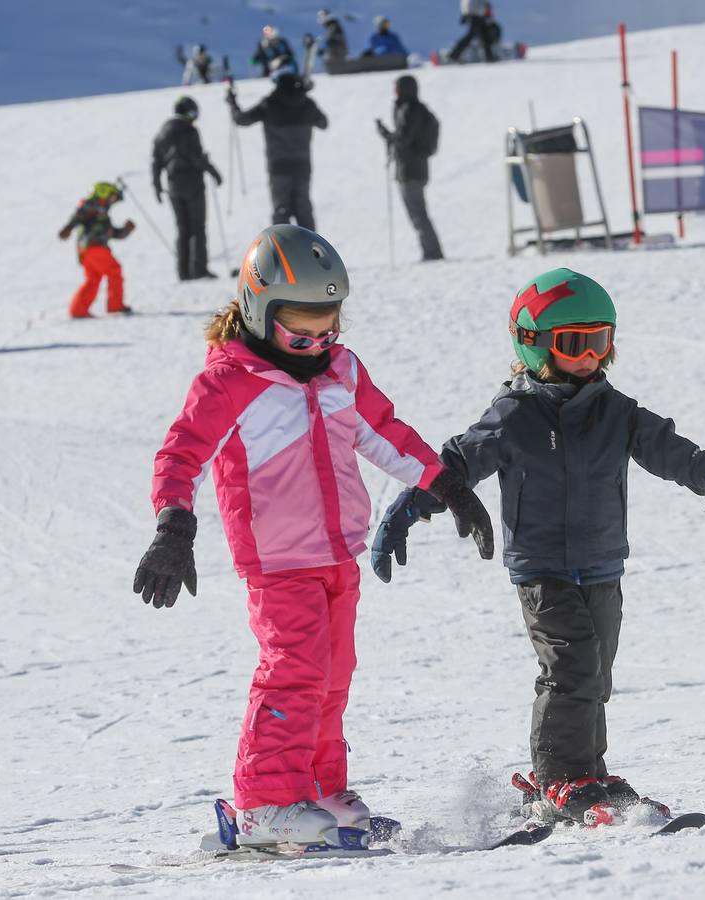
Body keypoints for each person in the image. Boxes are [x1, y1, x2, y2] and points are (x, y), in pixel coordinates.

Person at [370, 268, 705, 828]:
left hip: (600, 563)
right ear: (533, 343)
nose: (590, 356)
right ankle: (557, 777)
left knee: (597, 671)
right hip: (542, 568)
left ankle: (587, 770)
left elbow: (675, 453)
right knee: (571, 666)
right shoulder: (515, 415)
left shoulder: (615, 410)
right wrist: (407, 510)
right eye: (574, 344)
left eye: (600, 342)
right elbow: (457, 463)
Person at [132, 224, 493, 847]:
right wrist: (173, 526)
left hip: (336, 553)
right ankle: (264, 802)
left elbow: (384, 431)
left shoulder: (340, 371)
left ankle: (322, 789)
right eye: (298, 323)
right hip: (277, 560)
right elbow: (182, 455)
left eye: (328, 322)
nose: (316, 338)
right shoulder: (229, 382)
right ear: (255, 306)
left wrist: (446, 485)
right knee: (293, 672)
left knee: (332, 675)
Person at [227, 72, 328, 230]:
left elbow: (242, 119)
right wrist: (305, 93)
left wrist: (232, 103)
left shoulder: (269, 104)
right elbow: (324, 123)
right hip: (302, 165)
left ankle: (283, 251)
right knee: (304, 210)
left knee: (281, 212)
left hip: (278, 167)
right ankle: (311, 251)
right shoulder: (307, 104)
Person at [152, 95, 223, 281]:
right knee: (197, 228)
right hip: (193, 183)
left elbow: (156, 161)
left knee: (182, 228)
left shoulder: (162, 133)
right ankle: (198, 270)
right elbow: (196, 157)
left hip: (173, 185)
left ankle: (183, 271)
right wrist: (213, 172)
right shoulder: (189, 130)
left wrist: (157, 185)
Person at [375, 75, 444, 261]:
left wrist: (387, 135)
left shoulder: (409, 110)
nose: (395, 92)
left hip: (410, 168)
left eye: (397, 88)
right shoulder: (415, 108)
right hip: (417, 166)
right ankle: (431, 250)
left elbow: (404, 139)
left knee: (418, 213)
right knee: (418, 212)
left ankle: (432, 252)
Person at [58, 181, 135, 318]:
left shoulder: (103, 215)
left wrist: (126, 230)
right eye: (112, 197)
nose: (114, 201)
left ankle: (78, 310)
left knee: (93, 278)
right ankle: (115, 306)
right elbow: (78, 215)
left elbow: (114, 234)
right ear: (103, 193)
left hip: (85, 251)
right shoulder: (92, 206)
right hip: (95, 246)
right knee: (114, 270)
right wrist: (68, 228)